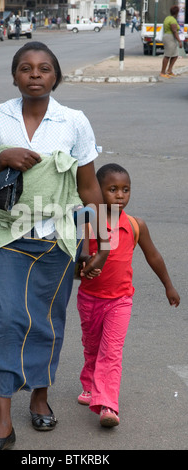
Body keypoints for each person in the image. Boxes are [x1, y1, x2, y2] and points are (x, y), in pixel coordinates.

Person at [0, 41, 109, 450]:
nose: (35, 75)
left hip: (57, 240)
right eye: (26, 68)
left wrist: (102, 241)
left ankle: (40, 394)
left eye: (44, 68)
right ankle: (3, 422)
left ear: (55, 76)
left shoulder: (73, 121)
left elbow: (88, 186)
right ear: (14, 77)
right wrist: (2, 158)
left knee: (46, 323)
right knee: (4, 321)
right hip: (8, 236)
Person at [77, 163, 180, 427]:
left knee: (111, 351)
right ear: (97, 192)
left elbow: (153, 256)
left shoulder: (136, 225)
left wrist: (168, 285)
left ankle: (108, 404)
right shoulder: (87, 223)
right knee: (92, 346)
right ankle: (89, 384)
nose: (120, 195)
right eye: (112, 189)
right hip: (89, 299)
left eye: (126, 190)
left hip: (120, 301)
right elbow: (73, 260)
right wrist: (82, 267)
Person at [160, 6, 183, 78]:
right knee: (167, 55)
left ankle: (169, 70)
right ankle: (162, 72)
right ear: (176, 12)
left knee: (175, 55)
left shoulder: (168, 18)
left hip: (169, 37)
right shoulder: (172, 20)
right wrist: (179, 41)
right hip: (170, 38)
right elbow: (174, 31)